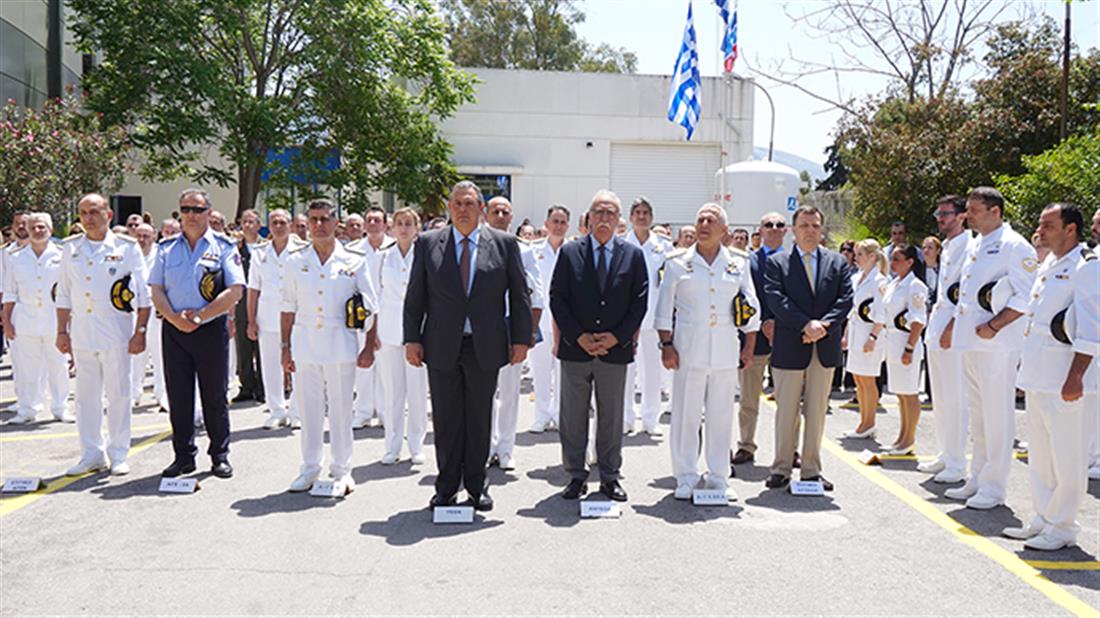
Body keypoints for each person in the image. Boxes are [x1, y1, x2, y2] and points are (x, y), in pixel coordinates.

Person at [403, 180, 531, 511]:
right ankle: (446, 487)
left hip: (484, 344)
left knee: (478, 417)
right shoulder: (428, 243)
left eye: (470, 203)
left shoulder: (504, 244)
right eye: (457, 203)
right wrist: (412, 339)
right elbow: (415, 296)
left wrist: (521, 339)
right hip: (441, 343)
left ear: (481, 209)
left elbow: (519, 296)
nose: (463, 209)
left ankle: (477, 485)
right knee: (446, 419)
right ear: (449, 207)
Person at [1002, 203, 1098, 550]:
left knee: (1068, 457)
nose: (1040, 232)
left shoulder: (1086, 267)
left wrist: (1076, 377)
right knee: (1041, 455)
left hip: (1067, 379)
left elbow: (1091, 327)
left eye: (1048, 226)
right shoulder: (1051, 264)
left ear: (1070, 229)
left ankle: (1063, 527)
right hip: (1041, 376)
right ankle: (1043, 518)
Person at [656, 203, 759, 501]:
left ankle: (718, 477)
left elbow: (751, 308)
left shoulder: (739, 263)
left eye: (710, 220)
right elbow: (664, 309)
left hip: (726, 349)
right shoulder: (677, 262)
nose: (703, 224)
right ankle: (685, 475)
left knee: (721, 414)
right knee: (686, 415)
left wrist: (749, 346)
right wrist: (666, 345)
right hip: (688, 349)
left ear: (724, 230)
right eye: (700, 219)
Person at [550, 190, 648, 502]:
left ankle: (609, 477)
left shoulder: (632, 255)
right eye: (598, 212)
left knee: (611, 416)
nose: (604, 219)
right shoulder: (570, 253)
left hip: (614, 350)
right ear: (589, 217)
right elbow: (558, 299)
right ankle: (576, 475)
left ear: (619, 220)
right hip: (575, 348)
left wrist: (617, 337)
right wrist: (578, 335)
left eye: (610, 213)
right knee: (573, 416)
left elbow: (639, 302)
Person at [941, 187, 1036, 509]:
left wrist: (994, 326)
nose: (968, 215)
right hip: (972, 341)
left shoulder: (1014, 245)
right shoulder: (977, 243)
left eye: (975, 209)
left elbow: (1025, 298)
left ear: (995, 211)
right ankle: (978, 478)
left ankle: (994, 488)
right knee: (979, 414)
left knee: (997, 416)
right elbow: (966, 295)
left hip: (997, 344)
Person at [281, 199, 378, 493]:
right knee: (309, 410)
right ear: (307, 224)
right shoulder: (295, 261)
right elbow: (288, 306)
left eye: (325, 219)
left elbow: (371, 306)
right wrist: (285, 347)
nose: (319, 225)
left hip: (340, 343)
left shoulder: (353, 260)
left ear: (336, 223)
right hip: (306, 342)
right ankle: (310, 468)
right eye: (313, 220)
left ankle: (341, 470)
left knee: (340, 410)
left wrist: (369, 347)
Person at [149, 188, 244, 479]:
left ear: (208, 213)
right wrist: (174, 319)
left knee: (214, 395)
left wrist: (202, 316)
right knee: (179, 397)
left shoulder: (224, 247)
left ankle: (219, 456)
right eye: (185, 209)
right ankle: (183, 457)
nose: (190, 215)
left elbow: (235, 290)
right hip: (175, 329)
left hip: (209, 328)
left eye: (197, 209)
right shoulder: (165, 248)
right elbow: (156, 290)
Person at [56, 194, 151, 476]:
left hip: (116, 331)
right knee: (86, 397)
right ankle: (91, 453)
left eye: (94, 212)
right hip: (83, 333)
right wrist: (62, 331)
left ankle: (119, 452)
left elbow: (144, 295)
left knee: (119, 393)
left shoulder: (126, 247)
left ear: (108, 215)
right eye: (83, 212)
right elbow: (63, 293)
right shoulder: (70, 248)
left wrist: (140, 331)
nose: (88, 218)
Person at [762, 205, 853, 491]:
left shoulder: (836, 262)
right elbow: (776, 299)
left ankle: (811, 470)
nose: (810, 230)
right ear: (793, 230)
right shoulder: (778, 263)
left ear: (821, 229)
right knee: (786, 411)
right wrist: (806, 325)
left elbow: (845, 300)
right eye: (804, 225)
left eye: (815, 225)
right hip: (791, 345)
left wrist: (822, 326)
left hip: (823, 347)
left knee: (816, 412)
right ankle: (781, 468)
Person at [484, 197, 543, 469]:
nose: (499, 215)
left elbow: (536, 293)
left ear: (512, 218)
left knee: (509, 391)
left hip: (510, 325)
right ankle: (484, 447)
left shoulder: (525, 250)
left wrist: (530, 331)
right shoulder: (477, 245)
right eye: (494, 211)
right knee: (483, 393)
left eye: (505, 212)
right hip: (482, 325)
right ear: (486, 214)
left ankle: (505, 448)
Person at [919, 195, 972, 483]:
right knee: (940, 398)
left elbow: (964, 293)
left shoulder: (969, 246)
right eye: (938, 213)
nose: (941, 218)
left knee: (956, 398)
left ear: (962, 216)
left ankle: (957, 461)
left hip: (952, 331)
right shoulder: (949, 246)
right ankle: (945, 453)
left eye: (947, 213)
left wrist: (953, 326)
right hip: (936, 329)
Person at [2, 212, 72, 424]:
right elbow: (9, 292)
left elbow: (69, 292)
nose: (37, 231)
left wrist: (69, 324)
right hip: (25, 318)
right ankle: (27, 408)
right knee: (27, 368)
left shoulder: (62, 256)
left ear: (50, 230)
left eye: (42, 227)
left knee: (58, 366)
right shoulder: (15, 258)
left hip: (54, 318)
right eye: (34, 228)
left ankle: (60, 407)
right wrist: (6, 321)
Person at [375, 208, 430, 465]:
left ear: (417, 227)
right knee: (392, 391)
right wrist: (370, 332)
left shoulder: (426, 255)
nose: (404, 228)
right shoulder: (382, 257)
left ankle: (417, 444)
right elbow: (373, 296)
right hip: (388, 329)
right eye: (399, 223)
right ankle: (392, 445)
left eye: (409, 223)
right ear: (391, 228)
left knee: (417, 391)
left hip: (417, 331)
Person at [247, 209, 308, 429]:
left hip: (298, 318)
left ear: (291, 225)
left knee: (299, 363)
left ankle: (297, 410)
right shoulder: (260, 252)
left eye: (283, 222)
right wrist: (251, 320)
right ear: (268, 226)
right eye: (274, 222)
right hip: (268, 316)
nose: (279, 226)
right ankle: (276, 410)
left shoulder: (302, 250)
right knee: (270, 365)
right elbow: (253, 289)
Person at [733, 212, 786, 465]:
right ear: (760, 231)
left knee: (789, 402)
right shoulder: (748, 262)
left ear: (786, 231)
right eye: (768, 225)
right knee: (748, 398)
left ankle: (789, 451)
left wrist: (780, 323)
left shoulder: (795, 261)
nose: (774, 228)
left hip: (788, 338)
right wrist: (763, 321)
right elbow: (744, 295)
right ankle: (746, 445)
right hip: (755, 340)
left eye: (779, 225)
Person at [622, 197, 670, 435]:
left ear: (651, 217)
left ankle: (650, 420)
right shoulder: (621, 245)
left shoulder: (664, 247)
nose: (641, 216)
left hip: (653, 319)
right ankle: (626, 418)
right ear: (631, 217)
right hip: (626, 321)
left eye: (645, 213)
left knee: (652, 373)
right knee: (627, 370)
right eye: (637, 212)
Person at [349, 206, 395, 429]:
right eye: (369, 220)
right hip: (362, 313)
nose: (373, 223)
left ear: (386, 223)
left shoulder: (395, 247)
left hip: (388, 313)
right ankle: (363, 410)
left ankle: (386, 411)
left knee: (386, 365)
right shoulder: (353, 250)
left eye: (377, 219)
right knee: (363, 364)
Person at [880, 245, 928, 454]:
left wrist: (909, 348)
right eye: (892, 259)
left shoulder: (915, 286)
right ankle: (902, 435)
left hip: (906, 342)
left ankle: (909, 438)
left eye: (898, 259)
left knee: (909, 393)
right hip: (893, 341)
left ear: (910, 261)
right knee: (900, 393)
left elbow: (918, 320)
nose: (893, 263)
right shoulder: (894, 284)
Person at [528, 205, 570, 433]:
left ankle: (560, 415)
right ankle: (542, 415)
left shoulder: (573, 250)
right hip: (540, 319)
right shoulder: (534, 250)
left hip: (566, 320)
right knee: (541, 369)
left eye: (563, 222)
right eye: (555, 221)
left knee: (564, 371)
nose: (558, 226)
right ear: (546, 223)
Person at [841, 239, 887, 440]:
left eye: (860, 254)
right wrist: (846, 335)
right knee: (859, 379)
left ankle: (869, 422)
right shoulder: (857, 277)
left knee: (868, 380)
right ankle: (863, 421)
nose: (856, 257)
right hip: (856, 332)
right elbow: (852, 311)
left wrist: (873, 337)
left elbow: (881, 312)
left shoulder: (879, 281)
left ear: (871, 257)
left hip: (870, 334)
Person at [128, 222, 164, 408]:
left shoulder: (161, 255)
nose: (142, 240)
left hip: (157, 314)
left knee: (160, 358)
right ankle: (134, 394)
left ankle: (162, 395)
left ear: (154, 236)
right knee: (136, 358)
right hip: (134, 312)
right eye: (139, 236)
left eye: (146, 236)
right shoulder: (128, 255)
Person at [232, 209, 264, 403]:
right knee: (243, 347)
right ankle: (246, 386)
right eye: (244, 222)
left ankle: (262, 387)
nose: (247, 225)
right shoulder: (236, 249)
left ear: (259, 225)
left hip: (263, 303)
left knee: (263, 347)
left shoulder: (266, 247)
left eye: (251, 222)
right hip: (242, 302)